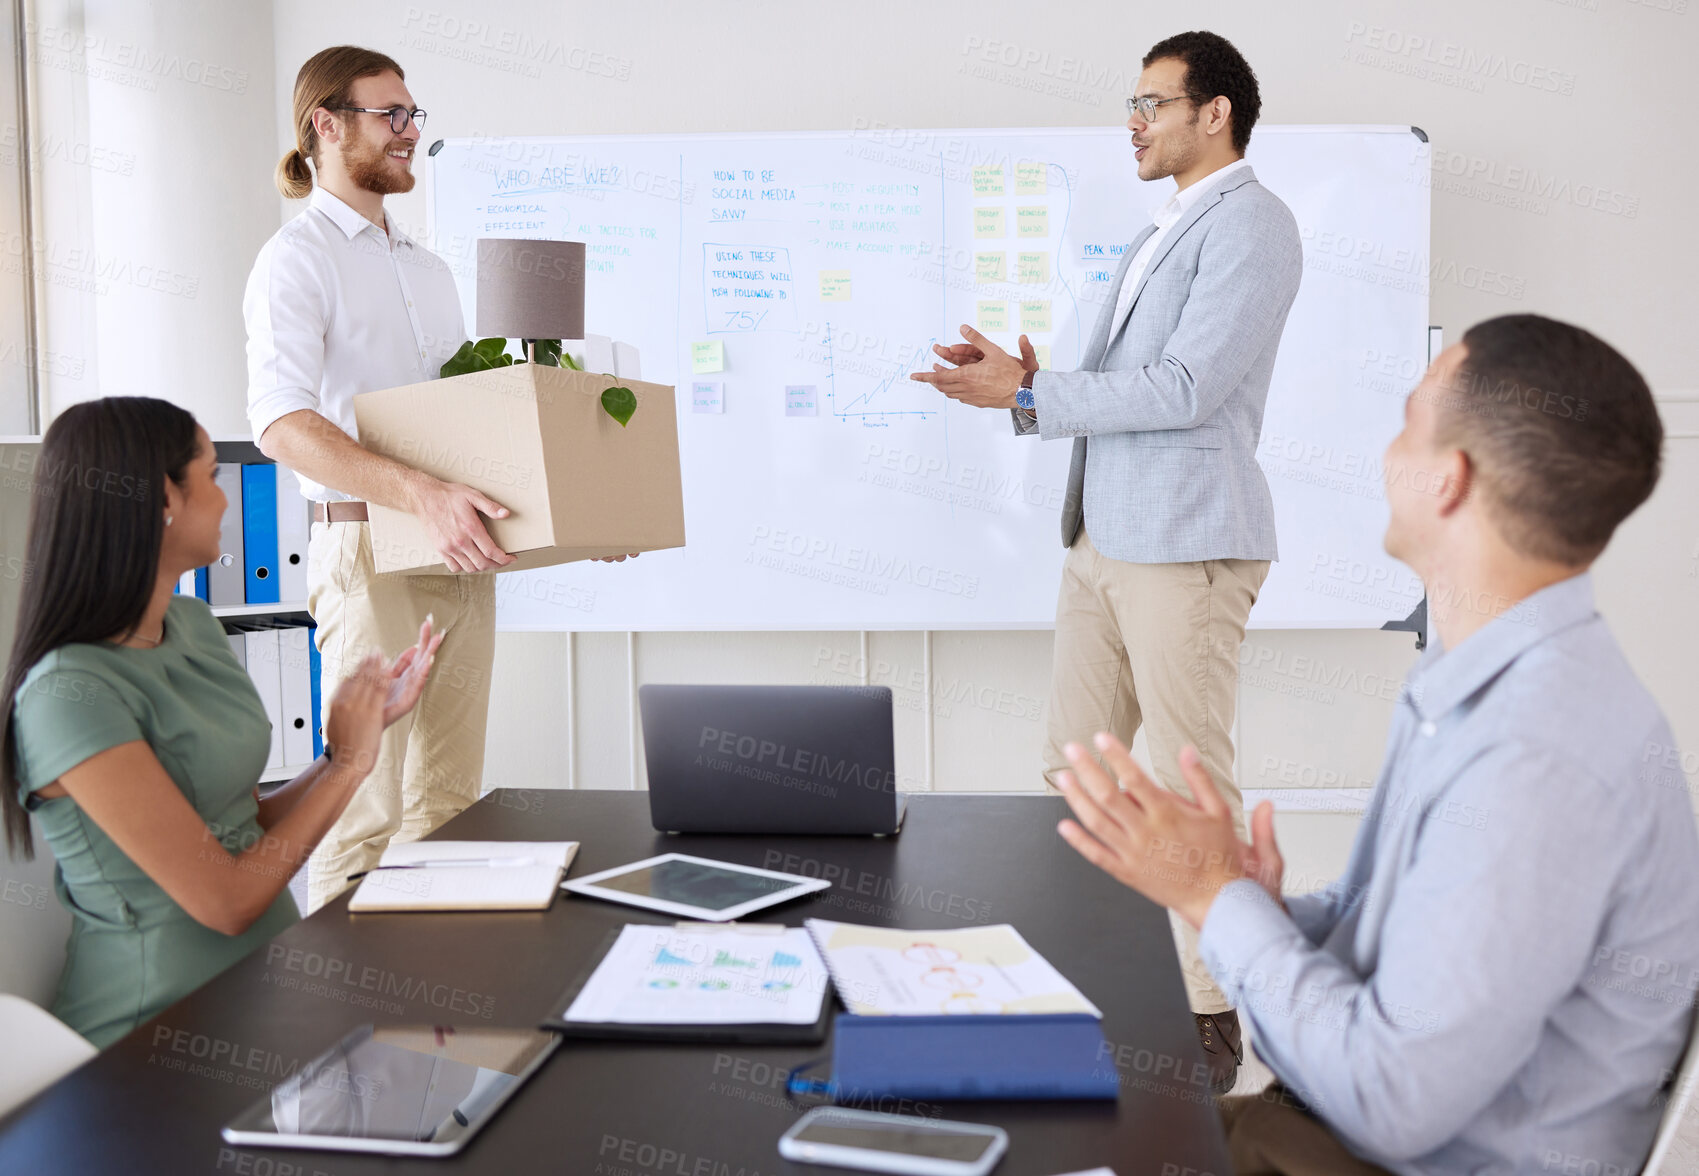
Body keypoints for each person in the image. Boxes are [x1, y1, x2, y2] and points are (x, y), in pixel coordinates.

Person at [1053, 315, 1699, 1174]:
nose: (1385, 454)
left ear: (1449, 480)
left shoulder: (1536, 756)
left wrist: (1215, 901)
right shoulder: (1479, 675)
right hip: (1340, 1127)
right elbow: (1412, 943)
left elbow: (1392, 1100)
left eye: (1405, 425)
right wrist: (1260, 904)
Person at [910, 30, 1301, 1090]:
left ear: (1213, 112)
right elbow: (1105, 380)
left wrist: (1031, 398)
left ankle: (1211, 1013)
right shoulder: (1156, 234)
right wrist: (1024, 375)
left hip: (1183, 542)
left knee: (1185, 779)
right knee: (1077, 772)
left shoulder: (1253, 225)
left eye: (1151, 103)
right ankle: (1106, 978)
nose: (1131, 122)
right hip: (1099, 538)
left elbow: (1183, 390)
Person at [245, 46, 632, 913]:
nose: (410, 134)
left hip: (456, 557)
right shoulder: (296, 259)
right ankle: (347, 1029)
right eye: (393, 116)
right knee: (364, 808)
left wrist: (579, 513)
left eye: (414, 117)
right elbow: (281, 423)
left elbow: (464, 434)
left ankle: (426, 1023)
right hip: (368, 550)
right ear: (327, 124)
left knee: (449, 808)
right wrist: (418, 494)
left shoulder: (428, 270)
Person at [0, 397, 440, 1049]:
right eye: (208, 475)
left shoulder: (191, 625)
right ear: (160, 499)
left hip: (261, 997)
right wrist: (347, 767)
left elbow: (244, 825)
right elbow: (227, 902)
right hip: (151, 1045)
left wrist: (347, 748)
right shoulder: (69, 693)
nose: (227, 499)